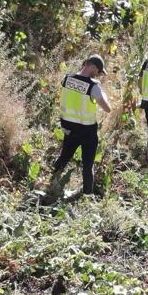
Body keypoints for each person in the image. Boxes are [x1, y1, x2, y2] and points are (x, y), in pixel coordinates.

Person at [47, 54, 112, 203]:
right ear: (93, 67)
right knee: (88, 165)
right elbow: (107, 108)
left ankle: (51, 184)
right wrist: (103, 94)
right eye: (99, 71)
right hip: (87, 132)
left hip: (69, 128)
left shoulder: (67, 79)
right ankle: (87, 198)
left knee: (64, 157)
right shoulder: (93, 86)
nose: (98, 75)